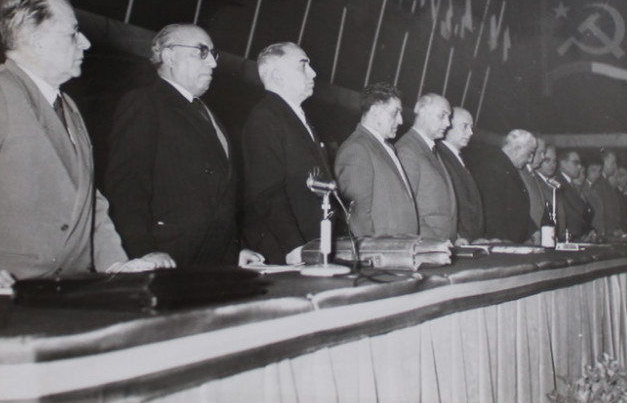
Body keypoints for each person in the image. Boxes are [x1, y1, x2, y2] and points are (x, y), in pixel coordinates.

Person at [0, 0, 169, 293]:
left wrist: (116, 266)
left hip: (70, 292)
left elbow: (89, 203)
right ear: (37, 39)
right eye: (72, 33)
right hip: (6, 294)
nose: (84, 42)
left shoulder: (69, 108)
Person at [105, 23, 258, 267]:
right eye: (201, 52)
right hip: (168, 257)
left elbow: (218, 194)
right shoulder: (145, 103)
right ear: (169, 56)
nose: (213, 63)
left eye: (213, 54)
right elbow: (127, 185)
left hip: (213, 259)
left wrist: (233, 251)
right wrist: (143, 250)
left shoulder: (208, 113)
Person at [241, 42, 333, 264]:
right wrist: (293, 246)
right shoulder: (265, 117)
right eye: (303, 66)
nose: (313, 72)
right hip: (289, 252)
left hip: (311, 244)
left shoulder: (295, 116)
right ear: (278, 76)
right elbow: (267, 191)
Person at [334, 82, 418, 237]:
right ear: (374, 112)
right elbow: (357, 217)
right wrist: (371, 256)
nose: (400, 120)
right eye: (395, 113)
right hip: (383, 254)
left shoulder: (384, 147)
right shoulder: (357, 149)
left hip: (399, 250)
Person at [395, 93, 457, 242]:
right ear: (422, 112)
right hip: (428, 245)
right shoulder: (407, 150)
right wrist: (433, 243)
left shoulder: (430, 149)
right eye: (442, 116)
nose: (448, 124)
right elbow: (407, 210)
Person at [467, 129, 537, 243]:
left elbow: (517, 207)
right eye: (529, 154)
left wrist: (533, 231)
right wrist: (500, 240)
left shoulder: (506, 167)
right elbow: (491, 211)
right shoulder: (492, 167)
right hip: (500, 243)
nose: (530, 160)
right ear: (517, 148)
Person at [436, 107, 484, 243]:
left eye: (471, 128)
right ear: (448, 126)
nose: (470, 133)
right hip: (459, 240)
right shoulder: (440, 157)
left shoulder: (458, 157)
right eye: (465, 127)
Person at [555, 150, 593, 240]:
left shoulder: (570, 184)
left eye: (579, 163)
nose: (579, 167)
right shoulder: (558, 183)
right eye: (575, 163)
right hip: (569, 238)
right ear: (563, 163)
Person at [519, 137, 551, 230]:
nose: (543, 157)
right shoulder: (520, 173)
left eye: (544, 153)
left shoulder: (533, 175)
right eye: (540, 152)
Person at [595, 149, 623, 237]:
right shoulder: (599, 182)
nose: (615, 166)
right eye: (613, 163)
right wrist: (610, 230)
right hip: (606, 233)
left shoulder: (605, 182)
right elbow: (601, 211)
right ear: (604, 162)